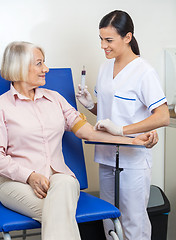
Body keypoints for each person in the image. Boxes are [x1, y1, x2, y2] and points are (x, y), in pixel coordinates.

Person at [0, 41, 158, 240]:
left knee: (65, 186)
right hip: (15, 183)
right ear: (20, 67)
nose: (46, 69)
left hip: (60, 179)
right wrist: (30, 176)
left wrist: (132, 140)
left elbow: (89, 132)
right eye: (39, 63)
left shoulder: (55, 99)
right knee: (61, 212)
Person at [76, 10, 170, 240]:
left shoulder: (144, 71)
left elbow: (162, 116)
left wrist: (122, 131)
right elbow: (110, 113)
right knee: (109, 218)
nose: (103, 46)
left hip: (133, 157)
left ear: (127, 37)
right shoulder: (105, 67)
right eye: (101, 39)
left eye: (109, 40)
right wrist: (90, 105)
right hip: (107, 154)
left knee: (132, 220)